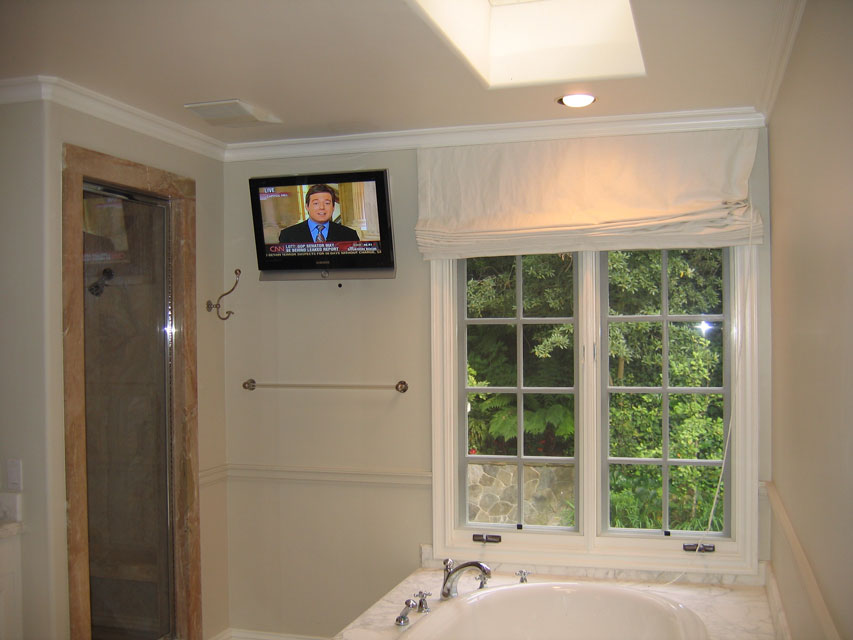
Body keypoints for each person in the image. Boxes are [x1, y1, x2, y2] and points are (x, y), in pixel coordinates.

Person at [278, 184, 360, 243]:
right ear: (307, 206)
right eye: (316, 203)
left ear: (333, 207)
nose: (322, 207)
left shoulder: (349, 235)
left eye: (327, 203)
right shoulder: (288, 235)